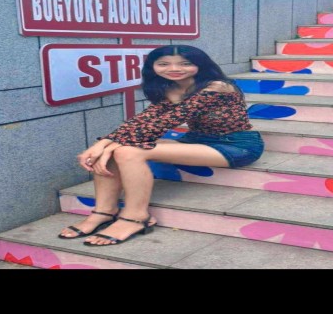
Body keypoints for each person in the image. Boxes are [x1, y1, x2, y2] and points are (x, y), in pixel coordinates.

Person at [58, 44, 264, 246]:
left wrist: (105, 145)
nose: (174, 69)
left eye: (185, 63)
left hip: (235, 145)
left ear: (200, 64)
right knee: (114, 150)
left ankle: (136, 216)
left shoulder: (216, 87)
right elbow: (144, 119)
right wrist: (104, 144)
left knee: (129, 152)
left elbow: (164, 122)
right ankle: (104, 211)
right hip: (195, 139)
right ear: (153, 67)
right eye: (164, 64)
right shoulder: (172, 88)